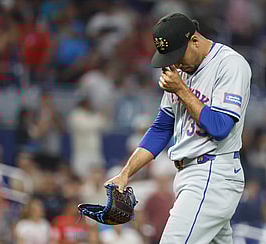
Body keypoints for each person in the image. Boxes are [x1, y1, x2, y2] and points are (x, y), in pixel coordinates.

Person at [105, 13, 251, 243]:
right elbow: (162, 128)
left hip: (212, 173)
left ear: (194, 40)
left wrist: (181, 89)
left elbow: (221, 127)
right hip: (187, 175)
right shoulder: (179, 72)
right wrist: (125, 174)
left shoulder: (229, 64)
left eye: (177, 54)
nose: (175, 63)